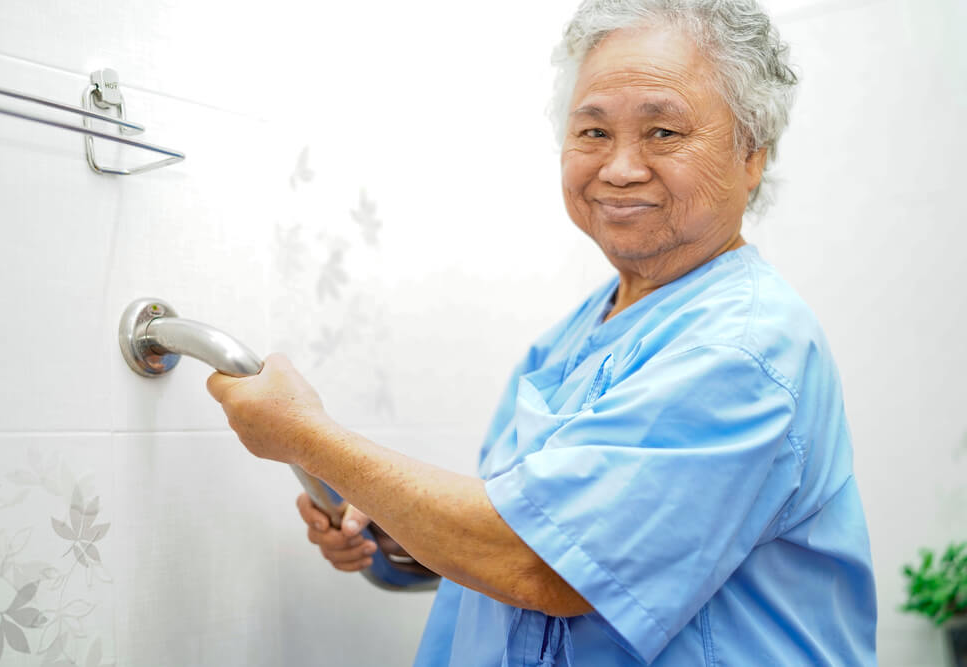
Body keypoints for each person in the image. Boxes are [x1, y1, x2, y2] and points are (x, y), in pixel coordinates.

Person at [206, 0, 878, 663]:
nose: (619, 167)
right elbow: (519, 539)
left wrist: (307, 437)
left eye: (663, 133)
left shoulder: (742, 346)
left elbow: (542, 564)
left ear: (751, 154)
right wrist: (387, 531)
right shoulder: (572, 340)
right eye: (592, 132)